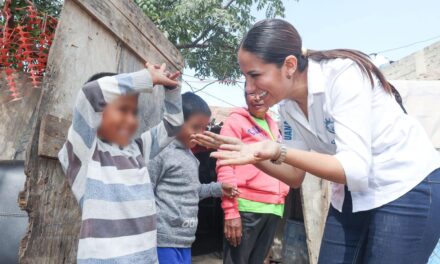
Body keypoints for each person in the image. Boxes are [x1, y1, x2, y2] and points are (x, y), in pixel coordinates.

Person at [192, 19, 440, 264]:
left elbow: (353, 169)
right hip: (352, 194)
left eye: (255, 75)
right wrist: (253, 154)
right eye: (245, 77)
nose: (250, 87)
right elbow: (294, 175)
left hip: (406, 186)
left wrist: (276, 150)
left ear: (289, 65)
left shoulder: (342, 76)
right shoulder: (288, 108)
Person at [58, 63, 183, 263]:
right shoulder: (85, 152)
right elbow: (90, 95)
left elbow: (173, 126)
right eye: (121, 109)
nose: (130, 118)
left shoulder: (136, 149)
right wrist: (146, 78)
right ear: (97, 115)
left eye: (132, 111)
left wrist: (172, 89)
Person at [147, 92, 239, 264]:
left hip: (185, 239)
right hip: (162, 239)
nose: (201, 133)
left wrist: (218, 188)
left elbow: (193, 191)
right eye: (196, 127)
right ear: (176, 121)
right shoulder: (160, 153)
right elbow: (145, 192)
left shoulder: (191, 157)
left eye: (205, 128)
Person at [217, 88, 289, 264]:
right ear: (244, 96)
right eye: (251, 94)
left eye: (263, 93)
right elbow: (224, 164)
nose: (257, 98)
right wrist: (231, 210)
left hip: (273, 207)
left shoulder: (273, 125)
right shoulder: (235, 122)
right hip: (246, 207)